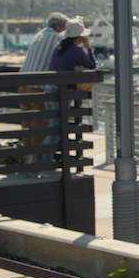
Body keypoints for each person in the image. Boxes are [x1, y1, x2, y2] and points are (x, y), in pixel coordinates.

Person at [41, 18, 97, 170]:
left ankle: (41, 161)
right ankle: (44, 165)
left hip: (50, 88)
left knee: (54, 128)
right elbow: (92, 65)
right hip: (62, 91)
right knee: (56, 130)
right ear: (80, 36)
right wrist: (89, 48)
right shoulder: (75, 50)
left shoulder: (59, 46)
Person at [19, 12, 68, 164]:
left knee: (27, 123)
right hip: (38, 85)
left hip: (23, 83)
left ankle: (26, 158)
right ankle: (36, 161)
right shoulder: (57, 38)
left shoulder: (39, 34)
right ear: (58, 25)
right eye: (64, 26)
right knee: (40, 123)